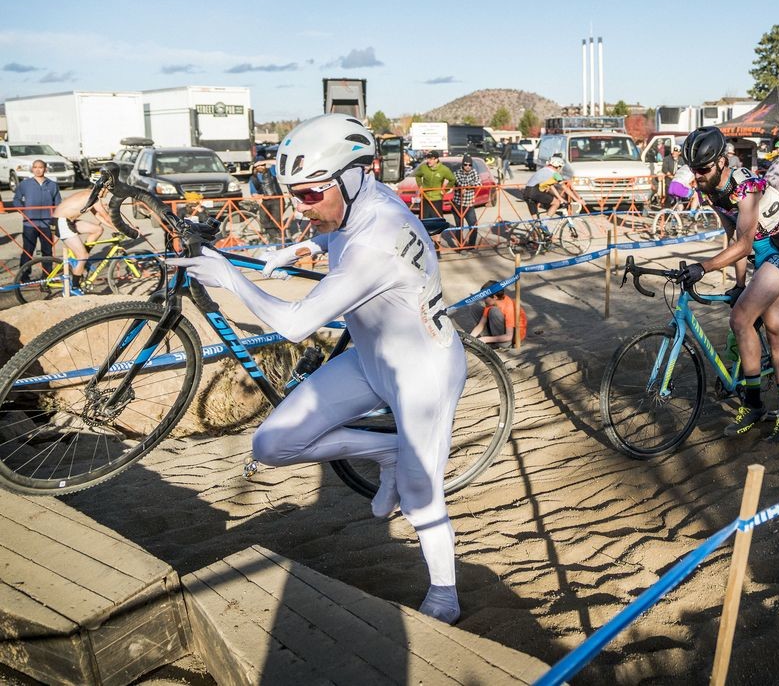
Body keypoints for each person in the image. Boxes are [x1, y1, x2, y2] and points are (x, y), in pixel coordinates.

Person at [168, 114, 467, 624]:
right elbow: (342, 232)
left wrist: (231, 277)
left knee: (420, 498)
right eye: (291, 195)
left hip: (424, 372)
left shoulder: (376, 241)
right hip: (374, 359)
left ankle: (446, 593)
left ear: (350, 177)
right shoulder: (372, 198)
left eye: (309, 195)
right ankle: (391, 452)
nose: (299, 207)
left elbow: (294, 324)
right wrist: (304, 244)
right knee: (272, 444)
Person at [676, 127, 779, 443]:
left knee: (741, 319)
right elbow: (732, 234)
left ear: (722, 162)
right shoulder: (710, 189)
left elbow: (745, 244)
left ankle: (753, 404)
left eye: (703, 169)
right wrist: (738, 283)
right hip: (761, 258)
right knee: (776, 333)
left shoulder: (744, 187)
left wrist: (703, 267)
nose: (698, 175)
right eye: (694, 170)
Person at [51, 187, 116, 291]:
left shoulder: (91, 195)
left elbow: (99, 216)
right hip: (61, 222)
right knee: (83, 255)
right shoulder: (93, 196)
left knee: (97, 229)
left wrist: (115, 228)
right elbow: (106, 216)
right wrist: (125, 229)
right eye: (107, 190)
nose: (108, 193)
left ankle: (82, 262)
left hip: (66, 221)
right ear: (102, 188)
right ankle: (75, 286)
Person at [11, 160, 60, 280]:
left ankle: (47, 277)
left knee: (47, 252)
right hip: (30, 223)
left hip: (47, 223)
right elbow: (16, 199)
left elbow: (58, 203)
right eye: (35, 167)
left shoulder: (53, 185)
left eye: (41, 167)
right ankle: (24, 276)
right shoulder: (25, 184)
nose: (38, 169)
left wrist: (55, 217)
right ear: (32, 169)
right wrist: (22, 211)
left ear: (45, 169)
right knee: (28, 250)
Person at [470, 281, 527, 347]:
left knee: (494, 311)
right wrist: (470, 338)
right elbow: (481, 324)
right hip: (500, 331)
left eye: (485, 297)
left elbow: (509, 336)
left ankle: (498, 343)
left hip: (510, 338)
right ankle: (490, 340)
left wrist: (485, 339)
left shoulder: (508, 306)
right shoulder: (491, 303)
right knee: (474, 307)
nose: (483, 300)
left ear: (494, 297)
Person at [247, 159, 291, 242]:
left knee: (276, 221)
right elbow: (254, 193)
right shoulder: (253, 178)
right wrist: (262, 196)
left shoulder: (271, 172)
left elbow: (278, 162)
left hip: (277, 200)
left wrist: (264, 161)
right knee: (264, 220)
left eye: (262, 165)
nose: (260, 167)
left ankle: (280, 239)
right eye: (258, 166)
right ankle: (273, 237)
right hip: (265, 201)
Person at [413, 150, 453, 222]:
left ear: (436, 159)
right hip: (425, 198)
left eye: (431, 159)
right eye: (427, 158)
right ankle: (425, 233)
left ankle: (437, 233)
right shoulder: (423, 167)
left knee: (437, 223)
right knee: (423, 222)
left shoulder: (444, 169)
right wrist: (420, 186)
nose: (428, 161)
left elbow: (452, 179)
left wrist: (445, 190)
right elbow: (417, 176)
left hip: (437, 199)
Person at [451, 156, 482, 248]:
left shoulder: (474, 172)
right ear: (462, 164)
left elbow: (479, 183)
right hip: (458, 204)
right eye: (465, 164)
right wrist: (470, 185)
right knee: (459, 227)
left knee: (474, 226)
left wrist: (467, 186)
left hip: (469, 204)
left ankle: (471, 245)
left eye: (470, 165)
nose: (468, 166)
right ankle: (461, 247)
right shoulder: (456, 173)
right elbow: (460, 183)